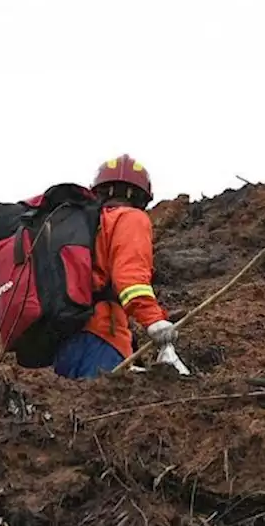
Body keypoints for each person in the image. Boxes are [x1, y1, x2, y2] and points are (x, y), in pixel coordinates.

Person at [52, 155, 176, 379]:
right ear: (139, 196)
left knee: (78, 407)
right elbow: (129, 279)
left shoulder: (84, 224)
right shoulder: (130, 218)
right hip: (102, 335)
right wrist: (154, 321)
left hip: (63, 339)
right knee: (103, 403)